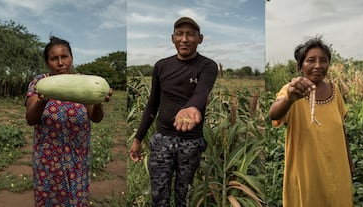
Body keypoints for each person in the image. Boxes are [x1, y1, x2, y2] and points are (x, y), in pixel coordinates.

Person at [129, 17, 218, 206]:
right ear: (172, 38)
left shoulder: (207, 66)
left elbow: (202, 91)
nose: (184, 39)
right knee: (158, 195)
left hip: (191, 143)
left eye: (190, 34)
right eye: (180, 34)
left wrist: (191, 107)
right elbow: (152, 105)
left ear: (200, 39)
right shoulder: (161, 66)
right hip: (162, 141)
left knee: (183, 195)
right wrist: (137, 139)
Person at [25, 36, 111, 207]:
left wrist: (99, 103)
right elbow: (30, 119)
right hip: (48, 160)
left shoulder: (84, 83)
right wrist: (43, 100)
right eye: (54, 58)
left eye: (64, 57)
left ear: (71, 58)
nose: (60, 62)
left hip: (77, 158)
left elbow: (96, 117)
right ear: (48, 62)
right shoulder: (39, 83)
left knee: (76, 201)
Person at [268, 37, 354, 207]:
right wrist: (289, 100)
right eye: (311, 60)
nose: (318, 65)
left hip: (337, 168)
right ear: (300, 65)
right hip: (307, 171)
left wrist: (349, 163)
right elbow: (273, 113)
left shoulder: (334, 90)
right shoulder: (292, 90)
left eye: (323, 60)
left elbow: (341, 129)